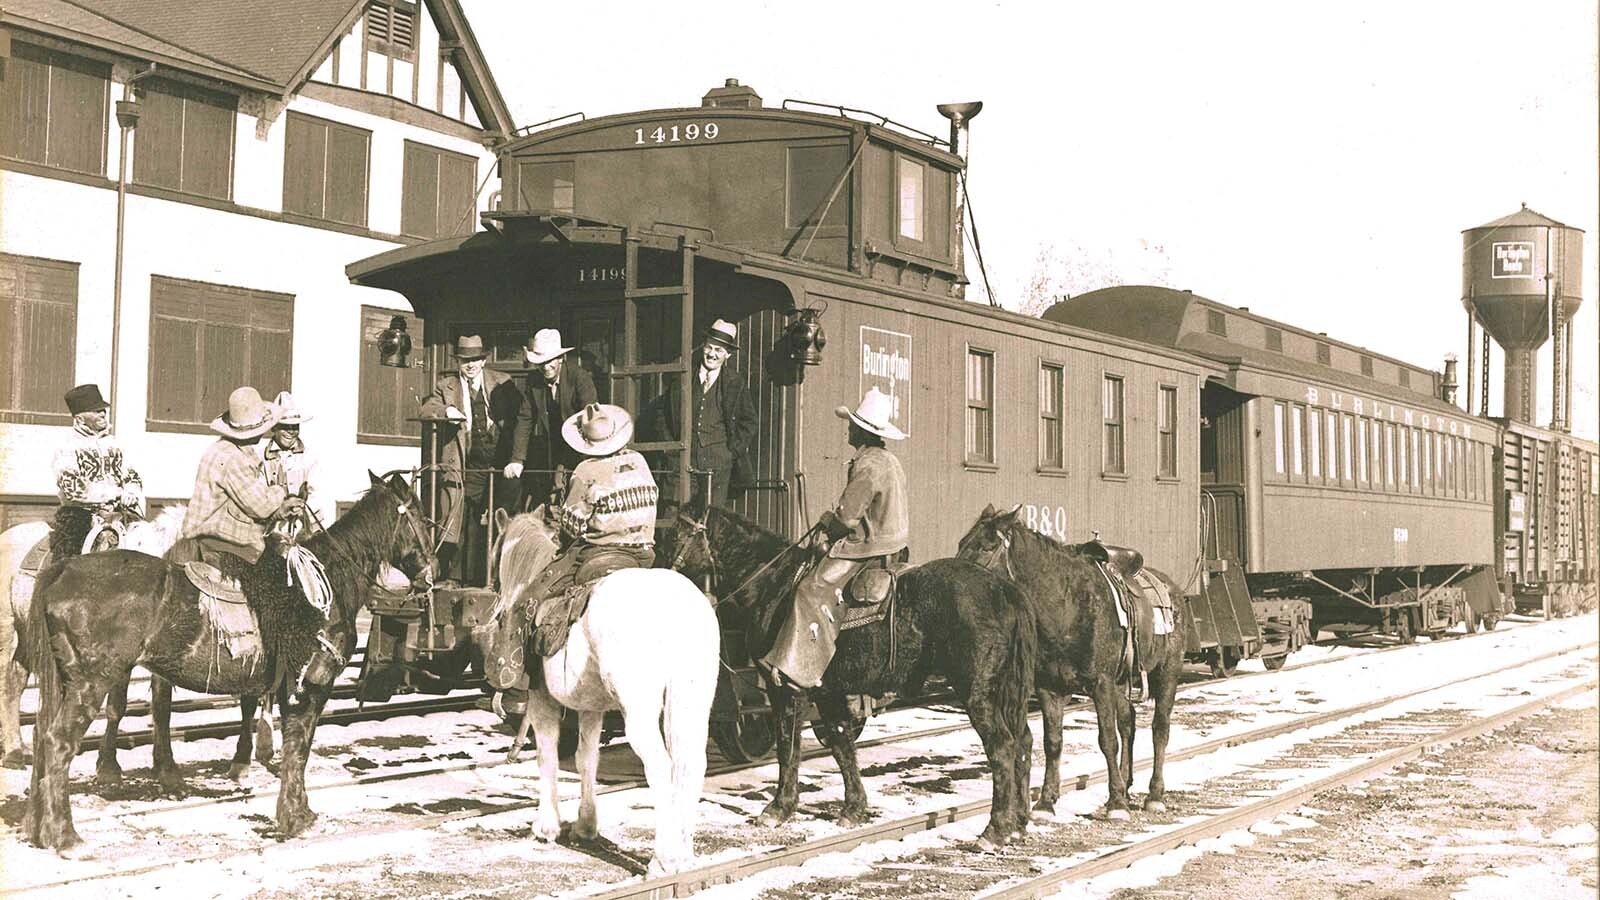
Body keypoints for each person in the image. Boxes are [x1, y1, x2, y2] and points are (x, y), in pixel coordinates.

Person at [760, 387, 908, 689]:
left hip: (867, 546)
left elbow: (848, 516)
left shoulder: (868, 464)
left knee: (810, 589)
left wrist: (829, 526)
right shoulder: (889, 460)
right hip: (894, 542)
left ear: (863, 431)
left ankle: (800, 671)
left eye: (853, 425)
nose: (849, 429)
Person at [418, 334, 522, 585]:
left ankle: (497, 577)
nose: (471, 365)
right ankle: (460, 579)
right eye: (466, 360)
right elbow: (425, 409)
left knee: (500, 519)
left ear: (483, 361)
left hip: (499, 462)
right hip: (467, 464)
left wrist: (516, 458)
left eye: (475, 359)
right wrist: (446, 411)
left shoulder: (503, 382)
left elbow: (522, 415)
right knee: (464, 519)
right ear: (458, 363)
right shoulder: (447, 386)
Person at [536, 402, 660, 601]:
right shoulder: (639, 460)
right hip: (644, 554)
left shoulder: (586, 470)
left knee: (545, 593)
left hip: (599, 554)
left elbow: (572, 526)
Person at [637, 319, 758, 511]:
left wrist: (730, 452)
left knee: (711, 519)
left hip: (718, 465)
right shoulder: (683, 378)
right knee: (674, 513)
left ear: (728, 355)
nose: (712, 354)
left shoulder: (736, 382)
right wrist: (670, 448)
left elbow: (749, 421)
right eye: (709, 347)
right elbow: (661, 413)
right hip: (681, 461)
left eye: (719, 351)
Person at [173, 386, 302, 566]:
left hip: (214, 535)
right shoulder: (233, 459)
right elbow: (261, 507)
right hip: (222, 541)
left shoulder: (223, 449)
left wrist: (279, 509)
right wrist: (280, 490)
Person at [49, 383, 144, 559]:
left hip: (119, 514)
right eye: (96, 410)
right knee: (70, 568)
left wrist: (131, 491)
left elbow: (132, 475)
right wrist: (114, 493)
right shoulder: (67, 447)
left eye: (103, 410)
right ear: (79, 418)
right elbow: (73, 487)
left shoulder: (115, 443)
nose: (102, 413)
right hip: (81, 516)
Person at [507, 328, 596, 510]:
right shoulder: (533, 381)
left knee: (577, 493)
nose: (546, 367)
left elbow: (590, 415)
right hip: (552, 447)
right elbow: (525, 419)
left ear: (560, 358)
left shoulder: (579, 377)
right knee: (553, 496)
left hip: (582, 444)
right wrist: (517, 459)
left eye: (549, 362)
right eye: (541, 363)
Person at [262, 391, 333, 534]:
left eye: (295, 427)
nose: (291, 432)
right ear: (274, 428)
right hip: (269, 526)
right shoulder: (260, 457)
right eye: (285, 427)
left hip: (300, 526)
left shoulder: (309, 457)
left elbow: (316, 493)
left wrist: (301, 509)